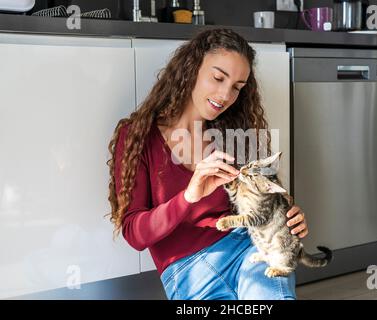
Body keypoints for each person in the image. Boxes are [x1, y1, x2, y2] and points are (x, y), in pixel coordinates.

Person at [106, 28, 308, 300]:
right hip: (186, 269)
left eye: (237, 87)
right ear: (191, 69)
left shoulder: (235, 134)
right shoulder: (137, 136)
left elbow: (268, 198)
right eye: (218, 78)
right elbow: (135, 234)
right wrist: (189, 196)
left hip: (248, 248)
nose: (225, 95)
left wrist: (289, 218)